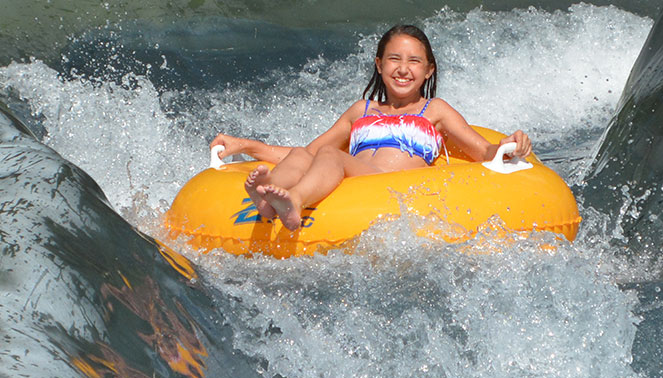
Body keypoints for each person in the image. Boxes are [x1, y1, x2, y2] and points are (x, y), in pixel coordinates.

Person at [211, 24, 532, 231]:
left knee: (330, 155)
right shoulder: (359, 111)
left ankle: (293, 200)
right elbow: (307, 153)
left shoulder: (434, 110)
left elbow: (482, 151)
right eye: (394, 59)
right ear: (379, 65)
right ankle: (267, 202)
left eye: (414, 61)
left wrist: (508, 145)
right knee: (302, 153)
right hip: (356, 177)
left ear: (429, 70)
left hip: (391, 187)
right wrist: (247, 146)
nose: (403, 69)